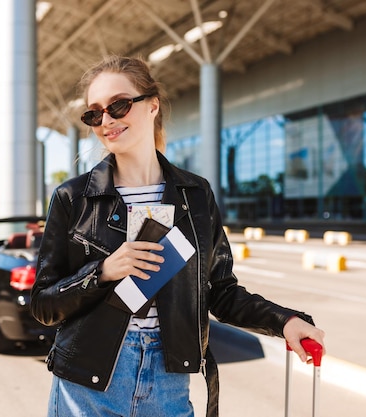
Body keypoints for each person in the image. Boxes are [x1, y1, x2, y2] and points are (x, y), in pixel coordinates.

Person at [31, 55, 325, 417]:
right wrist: (103, 271)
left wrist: (285, 321)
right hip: (88, 382)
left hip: (168, 380)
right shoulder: (73, 198)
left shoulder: (195, 194)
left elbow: (221, 290)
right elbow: (43, 304)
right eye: (94, 113)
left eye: (119, 106)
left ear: (152, 105)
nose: (106, 120)